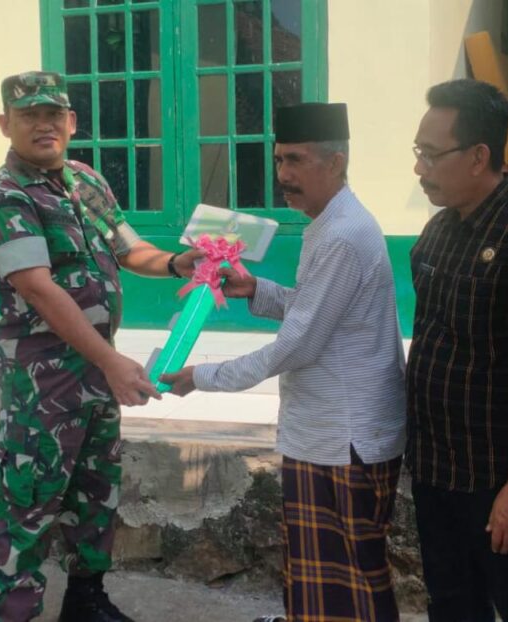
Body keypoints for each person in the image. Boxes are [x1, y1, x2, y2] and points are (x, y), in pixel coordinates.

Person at [161, 102, 407, 622]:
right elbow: (319, 309)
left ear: (336, 162)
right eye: (278, 160)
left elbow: (298, 345)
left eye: (295, 160)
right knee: (322, 578)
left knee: (353, 579)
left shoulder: (342, 235)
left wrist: (202, 376)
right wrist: (257, 289)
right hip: (327, 432)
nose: (283, 175)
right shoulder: (332, 224)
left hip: (344, 437)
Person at [0, 71, 201, 622]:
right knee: (29, 506)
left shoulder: (86, 180)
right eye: (28, 115)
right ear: (5, 124)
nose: (43, 125)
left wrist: (177, 263)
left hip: (97, 377)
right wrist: (111, 360)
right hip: (42, 386)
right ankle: (13, 613)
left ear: (71, 122)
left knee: (96, 493)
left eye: (53, 114)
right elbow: (39, 289)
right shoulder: (4, 195)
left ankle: (85, 601)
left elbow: (129, 248)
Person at [406, 79, 508, 622]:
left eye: (432, 155)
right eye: (418, 152)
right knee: (452, 605)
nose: (420, 168)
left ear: (479, 156)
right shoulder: (438, 230)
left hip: (495, 476)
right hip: (435, 467)